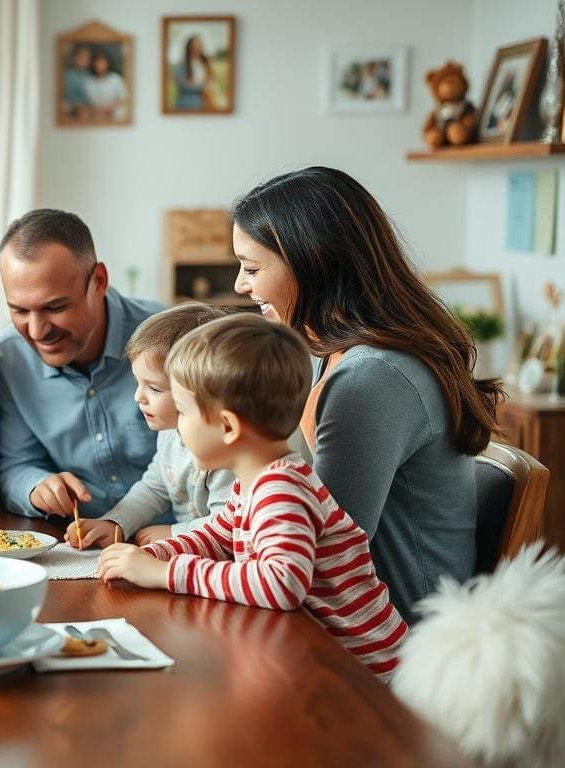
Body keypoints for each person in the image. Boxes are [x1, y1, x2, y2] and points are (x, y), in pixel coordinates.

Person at [230, 166, 502, 622]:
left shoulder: (370, 378)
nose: (241, 284)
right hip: (355, 614)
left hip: (392, 636)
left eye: (253, 268)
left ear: (312, 262)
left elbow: (324, 549)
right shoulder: (335, 355)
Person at [98, 314, 408, 680]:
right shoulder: (256, 482)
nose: (177, 426)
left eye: (183, 412)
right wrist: (151, 556)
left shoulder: (281, 490)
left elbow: (280, 584)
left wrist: (166, 573)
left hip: (366, 674)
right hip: (319, 659)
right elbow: (219, 535)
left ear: (227, 427)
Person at [0, 208, 164, 522]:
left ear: (98, 281)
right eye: (19, 310)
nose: (36, 331)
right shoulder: (9, 357)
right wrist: (36, 486)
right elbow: (14, 465)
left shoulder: (172, 338)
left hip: (181, 543)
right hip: (76, 547)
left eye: (55, 307)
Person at [66, 303, 234, 550]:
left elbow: (230, 527)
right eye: (138, 383)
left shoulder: (226, 451)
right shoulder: (169, 434)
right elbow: (154, 488)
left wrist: (174, 534)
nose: (138, 398)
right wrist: (115, 523)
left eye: (154, 388)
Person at [84, 49, 128, 120]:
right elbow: (88, 102)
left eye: (103, 62)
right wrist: (99, 111)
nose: (100, 65)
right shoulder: (89, 82)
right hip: (96, 113)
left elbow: (123, 99)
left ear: (108, 63)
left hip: (114, 112)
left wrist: (108, 109)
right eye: (97, 62)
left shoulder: (116, 79)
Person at [172, 34, 214, 110]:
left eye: (198, 46)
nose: (196, 49)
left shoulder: (204, 63)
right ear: (189, 48)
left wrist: (198, 83)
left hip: (205, 101)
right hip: (187, 102)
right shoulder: (181, 65)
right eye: (194, 46)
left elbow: (210, 80)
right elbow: (183, 85)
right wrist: (202, 86)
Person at [63, 44, 94, 119]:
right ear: (75, 57)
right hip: (70, 111)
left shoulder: (90, 76)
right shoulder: (67, 75)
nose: (85, 59)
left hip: (89, 112)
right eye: (82, 56)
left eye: (87, 57)